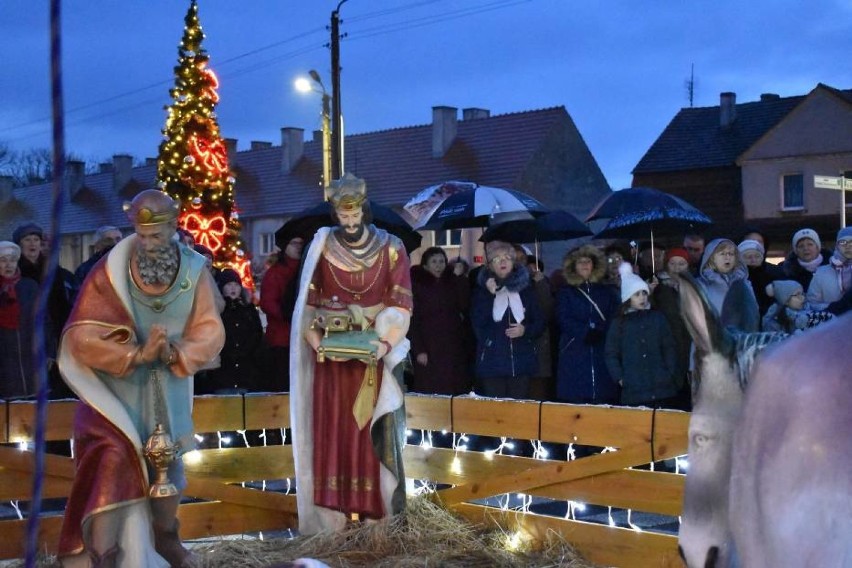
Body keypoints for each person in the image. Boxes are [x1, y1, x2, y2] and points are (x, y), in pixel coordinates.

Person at [57, 189, 225, 567]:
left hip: (170, 387)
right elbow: (82, 337)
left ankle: (167, 537)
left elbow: (210, 329)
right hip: (118, 398)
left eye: (158, 236)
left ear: (174, 227)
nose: (149, 245)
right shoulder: (111, 273)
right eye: (143, 235)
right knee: (115, 465)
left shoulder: (194, 271)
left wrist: (174, 352)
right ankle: (107, 554)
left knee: (170, 470)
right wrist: (133, 353)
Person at [290, 174, 411, 534]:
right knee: (335, 431)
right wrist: (315, 340)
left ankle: (376, 515)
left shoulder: (392, 247)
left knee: (369, 432)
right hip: (333, 364)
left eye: (354, 212)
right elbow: (309, 304)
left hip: (373, 356)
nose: (350, 221)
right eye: (342, 215)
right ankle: (336, 517)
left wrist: (385, 342)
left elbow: (401, 301)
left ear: (364, 209)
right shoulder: (323, 248)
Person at [470, 241, 544, 399]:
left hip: (521, 361)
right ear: (489, 266)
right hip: (493, 362)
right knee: (496, 413)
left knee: (518, 413)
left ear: (513, 262)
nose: (502, 262)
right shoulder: (482, 291)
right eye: (496, 259)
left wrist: (525, 330)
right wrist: (490, 295)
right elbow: (478, 323)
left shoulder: (527, 290)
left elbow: (539, 322)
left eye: (506, 258)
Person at [13, 221, 78, 399]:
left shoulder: (51, 269)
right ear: (19, 244)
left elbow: (61, 301)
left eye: (36, 239)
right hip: (28, 332)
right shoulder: (16, 271)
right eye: (27, 239)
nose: (33, 243)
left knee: (57, 380)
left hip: (55, 329)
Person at [605, 262, 678, 408]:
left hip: (662, 388)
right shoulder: (619, 323)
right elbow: (611, 353)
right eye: (636, 294)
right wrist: (620, 378)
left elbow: (669, 347)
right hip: (634, 391)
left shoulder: (657, 318)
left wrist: (669, 372)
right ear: (628, 298)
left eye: (644, 293)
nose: (642, 298)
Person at [554, 245, 620, 404]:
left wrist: (601, 330)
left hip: (601, 347)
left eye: (588, 261)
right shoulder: (566, 292)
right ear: (573, 266)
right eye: (580, 262)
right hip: (575, 348)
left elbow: (614, 316)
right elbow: (563, 318)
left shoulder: (606, 291)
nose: (584, 265)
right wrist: (584, 332)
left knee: (604, 398)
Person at [408, 247, 471, 395]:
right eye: (434, 262)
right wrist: (419, 350)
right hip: (428, 345)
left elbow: (464, 304)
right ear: (425, 265)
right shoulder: (417, 286)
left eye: (442, 261)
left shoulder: (452, 281)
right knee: (431, 388)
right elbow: (414, 320)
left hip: (452, 346)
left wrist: (458, 279)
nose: (438, 265)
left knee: (453, 387)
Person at [199, 269, 264, 394]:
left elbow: (257, 334)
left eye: (236, 285)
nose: (233, 288)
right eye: (229, 285)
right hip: (223, 373)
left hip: (247, 372)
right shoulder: (217, 311)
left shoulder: (248, 310)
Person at [259, 235, 304, 391]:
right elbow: (267, 302)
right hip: (282, 338)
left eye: (300, 244)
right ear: (285, 246)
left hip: (303, 337)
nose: (298, 247)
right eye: (294, 243)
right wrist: (288, 315)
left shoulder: (307, 269)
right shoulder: (275, 272)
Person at [651, 247, 692, 409]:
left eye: (681, 264)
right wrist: (651, 293)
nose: (677, 268)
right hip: (667, 344)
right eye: (673, 263)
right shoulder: (660, 287)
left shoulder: (693, 287)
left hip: (688, 343)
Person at [0, 241, 39, 399]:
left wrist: (49, 352)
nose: (9, 265)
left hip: (30, 359)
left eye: (13, 259)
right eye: (3, 260)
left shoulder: (29, 286)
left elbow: (44, 322)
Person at [696, 238, 759, 331]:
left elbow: (753, 312)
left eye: (731, 254)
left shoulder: (745, 283)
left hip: (743, 338)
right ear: (711, 258)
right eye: (722, 254)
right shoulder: (701, 284)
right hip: (712, 337)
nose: (727, 257)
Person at [762, 280, 834, 334]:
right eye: (797, 295)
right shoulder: (773, 323)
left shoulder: (812, 312)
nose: (802, 298)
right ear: (785, 300)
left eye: (802, 294)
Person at [807, 227, 852, 310]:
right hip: (833, 320)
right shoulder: (822, 272)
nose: (848, 246)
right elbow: (812, 303)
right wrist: (835, 308)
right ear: (837, 246)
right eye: (843, 242)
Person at [737, 239, 776, 316]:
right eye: (748, 257)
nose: (753, 260)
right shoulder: (736, 278)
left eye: (757, 256)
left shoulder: (773, 274)